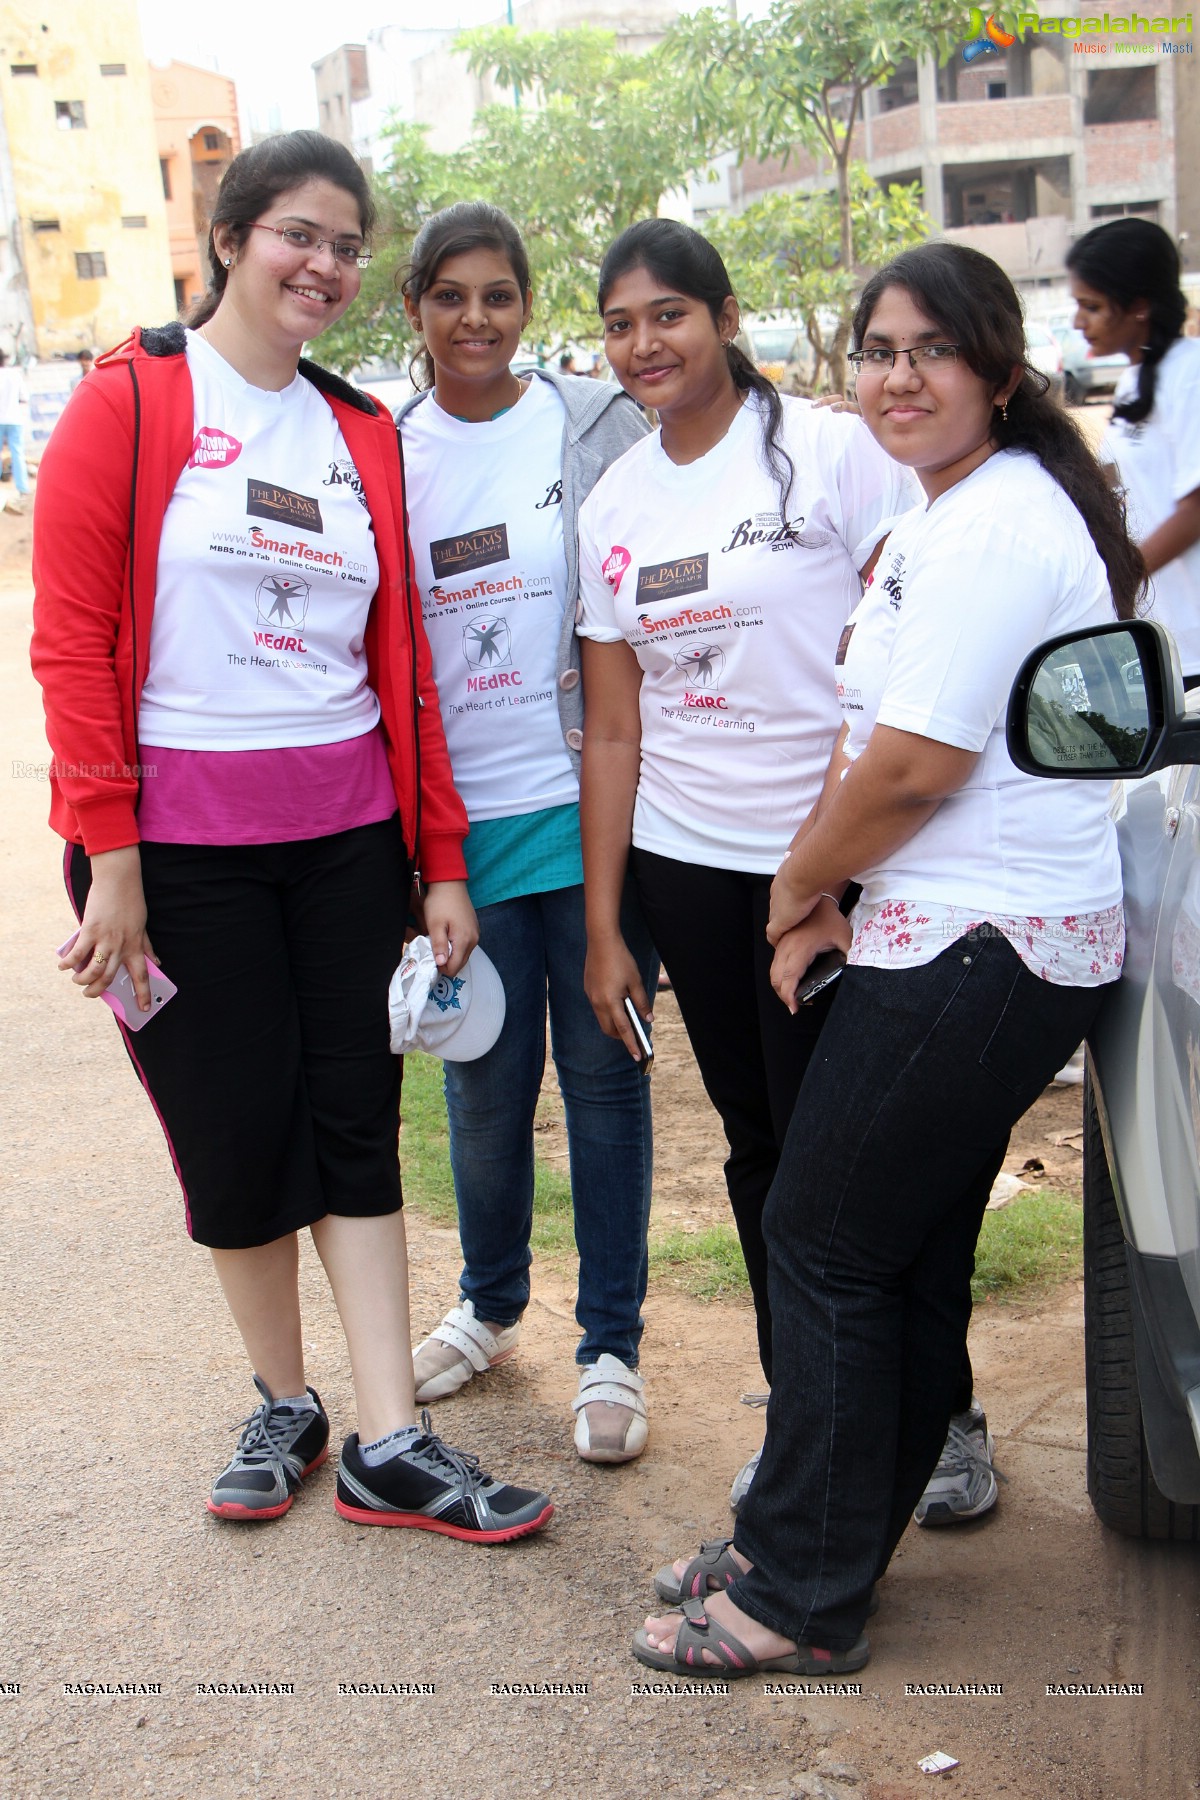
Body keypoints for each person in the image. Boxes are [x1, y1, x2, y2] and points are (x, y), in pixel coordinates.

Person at [30, 132, 551, 1544]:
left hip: (345, 844)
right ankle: (282, 1397)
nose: (321, 264)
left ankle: (391, 1438)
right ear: (231, 235)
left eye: (344, 243)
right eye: (296, 235)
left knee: (353, 1126)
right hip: (176, 857)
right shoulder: (130, 401)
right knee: (234, 1129)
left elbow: (407, 666)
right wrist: (113, 858)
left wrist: (439, 859)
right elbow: (72, 645)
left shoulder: (362, 432)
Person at [635, 242, 1141, 1677]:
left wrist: (797, 884)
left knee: (825, 1237)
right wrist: (820, 900)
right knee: (894, 1254)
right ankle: (819, 1541)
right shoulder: (954, 508)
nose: (896, 376)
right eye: (875, 349)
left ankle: (798, 1591)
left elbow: (916, 764)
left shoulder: (990, 528)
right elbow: (871, 739)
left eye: (930, 349)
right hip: (952, 922)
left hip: (996, 939)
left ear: (995, 365)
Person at [575, 219, 917, 1497]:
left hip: (849, 860)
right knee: (762, 1147)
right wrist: (609, 928)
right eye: (619, 323)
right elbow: (615, 729)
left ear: (723, 316)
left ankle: (936, 1416)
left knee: (867, 1154)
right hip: (691, 867)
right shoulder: (613, 506)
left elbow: (903, 660)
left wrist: (824, 865)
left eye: (668, 314)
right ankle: (807, 1423)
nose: (644, 343)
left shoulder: (830, 451)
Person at [396, 201, 659, 1462]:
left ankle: (611, 1342)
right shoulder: (384, 452)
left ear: (527, 306)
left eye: (499, 294)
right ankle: (489, 1303)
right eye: (451, 295)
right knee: (484, 1094)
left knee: (607, 1086)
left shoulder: (594, 424)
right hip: (465, 829)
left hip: (597, 809)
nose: (477, 319)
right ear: (416, 310)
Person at [1067, 218, 1200, 674]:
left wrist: (1121, 577)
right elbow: (1103, 484)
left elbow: (1195, 510)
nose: (1078, 321)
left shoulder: (1191, 375)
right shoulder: (1132, 383)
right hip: (1165, 637)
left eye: (1092, 306)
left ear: (1139, 305)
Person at [0, 347, 30, 514]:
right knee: (17, 453)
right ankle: (23, 487)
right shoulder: (14, 374)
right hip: (14, 418)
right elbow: (24, 398)